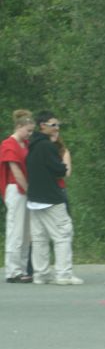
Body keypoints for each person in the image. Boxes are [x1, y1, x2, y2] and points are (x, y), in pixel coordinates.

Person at [25, 110, 82, 285]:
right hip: (50, 197)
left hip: (34, 198)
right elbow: (60, 170)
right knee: (63, 233)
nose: (57, 128)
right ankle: (63, 274)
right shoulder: (47, 146)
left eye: (58, 125)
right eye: (53, 125)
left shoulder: (31, 146)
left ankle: (41, 274)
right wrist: (64, 164)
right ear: (43, 126)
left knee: (40, 237)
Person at [1, 110, 35, 283]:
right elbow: (15, 171)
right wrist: (28, 189)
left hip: (26, 189)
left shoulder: (26, 144)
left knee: (26, 232)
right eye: (28, 130)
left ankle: (22, 269)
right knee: (16, 230)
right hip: (16, 188)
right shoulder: (9, 144)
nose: (29, 134)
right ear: (19, 126)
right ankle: (12, 270)